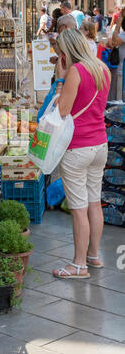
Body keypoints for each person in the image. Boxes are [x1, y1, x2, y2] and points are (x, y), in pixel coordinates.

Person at [52, 29, 111, 279]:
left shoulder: (76, 71)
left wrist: (60, 80)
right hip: (100, 145)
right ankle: (93, 256)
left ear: (66, 52)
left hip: (77, 148)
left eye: (60, 55)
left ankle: (78, 265)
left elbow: (63, 110)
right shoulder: (102, 69)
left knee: (79, 208)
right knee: (94, 202)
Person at [110, 8, 125, 100]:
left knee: (120, 96)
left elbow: (114, 42)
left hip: (122, 70)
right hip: (121, 69)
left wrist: (118, 24)